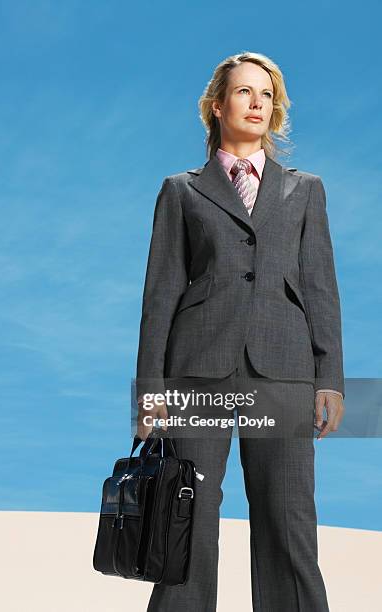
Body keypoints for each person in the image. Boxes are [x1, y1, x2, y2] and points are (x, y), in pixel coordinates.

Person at [135, 52, 345, 611]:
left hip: (284, 369)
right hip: (197, 369)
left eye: (267, 95)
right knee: (188, 518)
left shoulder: (305, 191)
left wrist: (330, 378)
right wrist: (150, 388)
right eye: (244, 92)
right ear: (216, 104)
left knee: (288, 519)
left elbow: (321, 289)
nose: (256, 103)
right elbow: (160, 295)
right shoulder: (180, 190)